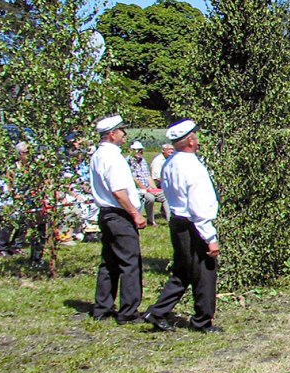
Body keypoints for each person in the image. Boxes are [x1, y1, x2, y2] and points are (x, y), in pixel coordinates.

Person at [144, 120, 220, 333]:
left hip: (177, 221)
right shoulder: (192, 167)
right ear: (190, 140)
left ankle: (158, 312)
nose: (198, 140)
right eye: (195, 136)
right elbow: (199, 205)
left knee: (183, 271)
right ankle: (202, 321)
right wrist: (210, 238)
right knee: (205, 272)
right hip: (193, 223)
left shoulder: (170, 163)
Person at [90, 114, 147, 324]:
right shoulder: (113, 158)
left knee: (109, 262)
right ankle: (128, 312)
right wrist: (135, 213)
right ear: (112, 134)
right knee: (130, 263)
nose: (125, 134)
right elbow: (119, 192)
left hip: (106, 214)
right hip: (119, 214)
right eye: (122, 130)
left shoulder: (98, 155)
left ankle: (102, 308)